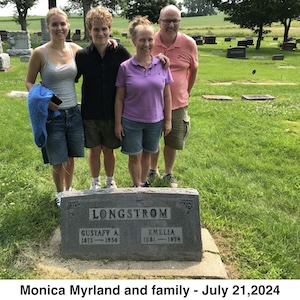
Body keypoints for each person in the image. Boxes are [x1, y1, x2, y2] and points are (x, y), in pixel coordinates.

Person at [25, 8, 84, 206]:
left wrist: (110, 44)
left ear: (68, 26)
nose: (59, 28)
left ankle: (69, 189)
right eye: (55, 24)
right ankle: (60, 194)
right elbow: (29, 82)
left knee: (71, 156)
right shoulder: (39, 53)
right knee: (58, 159)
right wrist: (42, 99)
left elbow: (95, 58)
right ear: (48, 27)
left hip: (74, 112)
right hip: (53, 114)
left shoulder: (75, 49)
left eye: (63, 24)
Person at [75, 7, 131, 190]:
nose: (101, 33)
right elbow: (70, 77)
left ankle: (109, 180)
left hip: (112, 111)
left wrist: (158, 59)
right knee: (94, 150)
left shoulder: (119, 52)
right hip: (90, 111)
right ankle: (95, 181)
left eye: (104, 28)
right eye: (96, 29)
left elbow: (136, 64)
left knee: (109, 149)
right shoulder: (82, 56)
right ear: (89, 30)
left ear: (110, 29)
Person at [114, 16, 173, 187]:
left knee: (147, 154)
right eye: (142, 40)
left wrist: (167, 120)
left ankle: (143, 182)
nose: (146, 44)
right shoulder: (125, 67)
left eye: (150, 39)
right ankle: (136, 185)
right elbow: (119, 97)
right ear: (134, 40)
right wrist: (118, 123)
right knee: (135, 155)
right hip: (131, 121)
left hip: (155, 121)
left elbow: (167, 95)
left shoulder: (162, 65)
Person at [148, 4, 199, 188]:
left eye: (175, 21)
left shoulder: (189, 44)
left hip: (178, 103)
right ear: (159, 21)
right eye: (167, 21)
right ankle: (152, 169)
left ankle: (168, 172)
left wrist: (187, 91)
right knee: (153, 137)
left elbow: (193, 70)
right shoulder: (149, 41)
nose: (171, 25)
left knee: (173, 140)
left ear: (180, 22)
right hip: (152, 103)